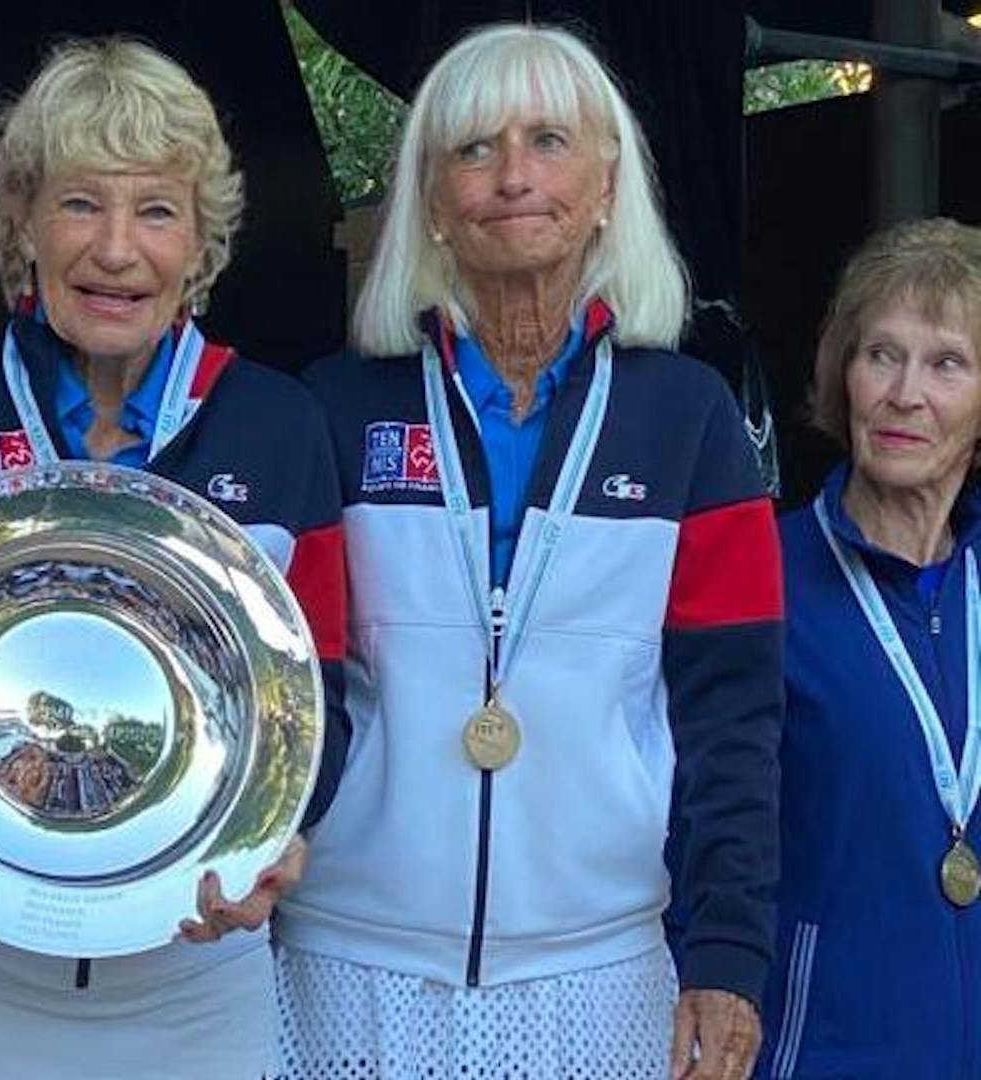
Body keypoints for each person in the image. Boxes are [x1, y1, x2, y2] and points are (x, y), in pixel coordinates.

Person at [0, 37, 348, 1079]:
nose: (115, 250)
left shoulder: (280, 429)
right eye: (78, 205)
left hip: (191, 976)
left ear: (202, 241)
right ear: (21, 228)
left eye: (155, 210)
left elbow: (321, 700)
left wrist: (284, 836)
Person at [283, 23, 782, 1080]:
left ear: (608, 183)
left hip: (600, 969)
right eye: (473, 149)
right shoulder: (329, 410)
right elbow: (291, 691)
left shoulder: (690, 421)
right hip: (348, 959)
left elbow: (731, 715)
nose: (513, 176)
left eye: (549, 141)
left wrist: (729, 952)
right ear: (429, 200)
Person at [759, 218, 981, 1079]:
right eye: (881, 354)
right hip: (821, 1053)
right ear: (841, 371)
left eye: (947, 363)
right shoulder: (762, 579)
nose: (904, 394)